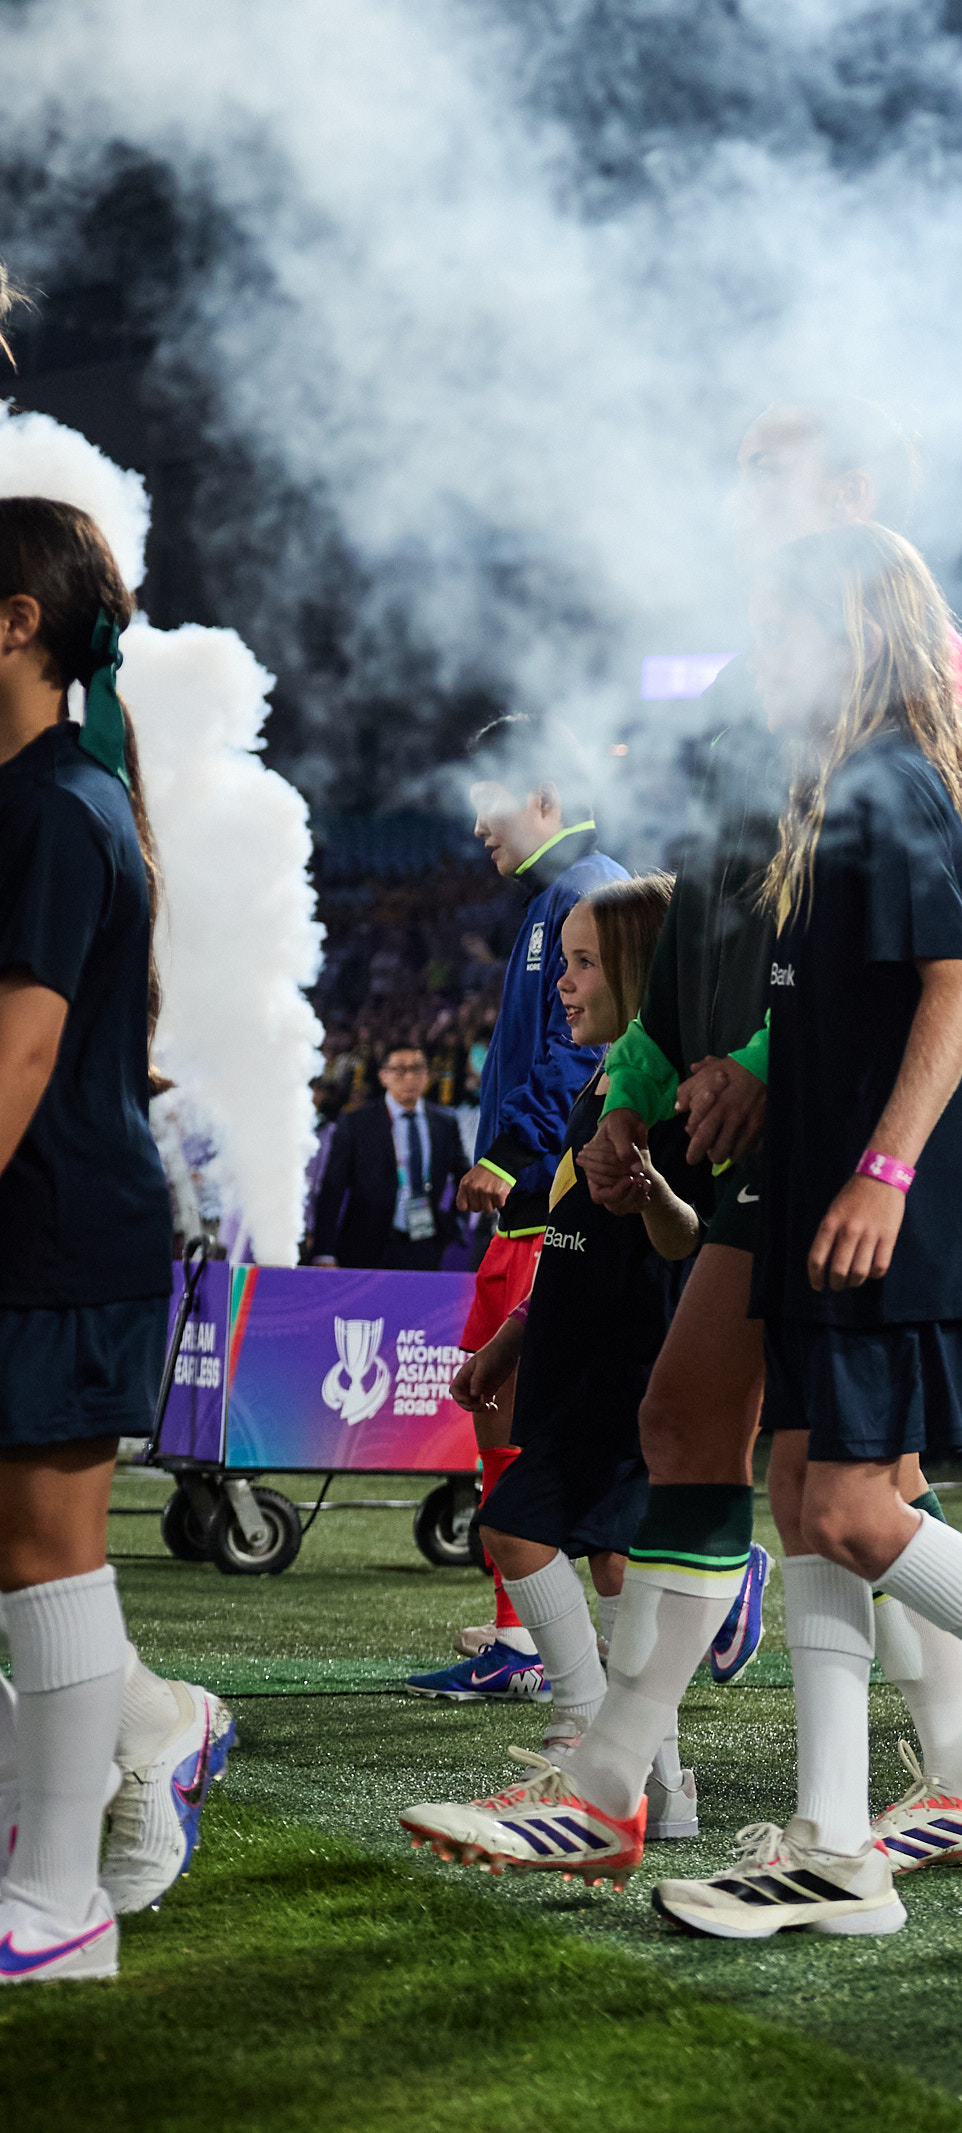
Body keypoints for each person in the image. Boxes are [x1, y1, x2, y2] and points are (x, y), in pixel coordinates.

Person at [447, 525, 962, 1924]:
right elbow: (803, 1008)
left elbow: (959, 989)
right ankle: (826, 1835)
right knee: (799, 1499)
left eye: (789, 619)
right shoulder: (820, 789)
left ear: (856, 630)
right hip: (805, 1173)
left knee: (844, 1501)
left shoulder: (892, 779)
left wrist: (883, 1174)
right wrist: (704, 1083)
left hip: (863, 1191)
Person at [0, 495, 236, 1985]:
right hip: (55, 1225)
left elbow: (18, 1056)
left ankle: (61, 1902)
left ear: (17, 621)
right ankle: (127, 1765)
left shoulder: (50, 803)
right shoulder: (53, 789)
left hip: (59, 1231)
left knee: (49, 1554)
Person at [400, 876, 716, 1859]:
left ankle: (590, 1751)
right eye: (564, 962)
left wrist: (657, 1193)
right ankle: (659, 1789)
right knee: (609, 1562)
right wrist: (511, 1336)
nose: (564, 986)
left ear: (638, 973)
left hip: (632, 1361)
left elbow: (686, 1241)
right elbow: (573, 1236)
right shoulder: (600, 1081)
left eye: (583, 965)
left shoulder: (667, 1091)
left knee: (517, 1524)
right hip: (574, 1351)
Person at [402, 715, 627, 1699]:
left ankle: (573, 1651)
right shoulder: (559, 896)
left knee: (530, 1422)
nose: (477, 825)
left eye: (487, 801)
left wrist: (506, 1153)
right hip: (534, 1203)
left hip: (553, 1205)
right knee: (501, 1415)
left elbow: (581, 1051)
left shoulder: (586, 893)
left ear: (541, 797)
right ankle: (526, 1637)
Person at [307, 1044, 467, 1271]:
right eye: (400, 1070)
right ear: (383, 1076)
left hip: (423, 1245)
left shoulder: (445, 1122)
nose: (409, 1077)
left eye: (417, 1068)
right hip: (363, 1247)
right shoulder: (356, 1122)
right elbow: (333, 1187)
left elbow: (465, 1177)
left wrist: (454, 1226)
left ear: (427, 1075)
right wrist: (324, 1250)